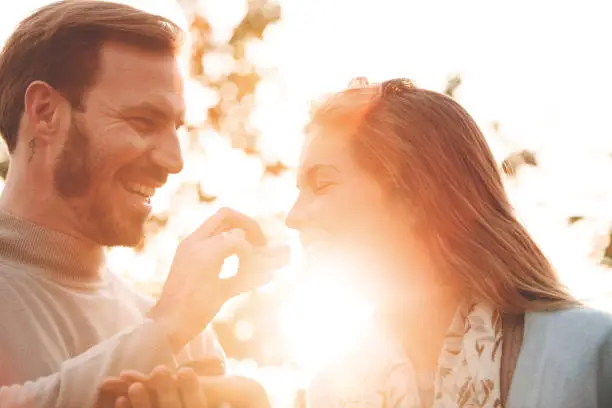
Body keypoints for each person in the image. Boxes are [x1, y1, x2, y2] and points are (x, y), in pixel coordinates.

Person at [0, 1, 282, 407]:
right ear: (45, 113)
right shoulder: (170, 326)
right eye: (143, 122)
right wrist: (165, 326)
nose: (174, 161)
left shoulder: (185, 338)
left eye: (176, 127)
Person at [282, 77, 611, 407]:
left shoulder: (588, 356)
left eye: (322, 184)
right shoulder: (331, 391)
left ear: (412, 196)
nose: (292, 217)